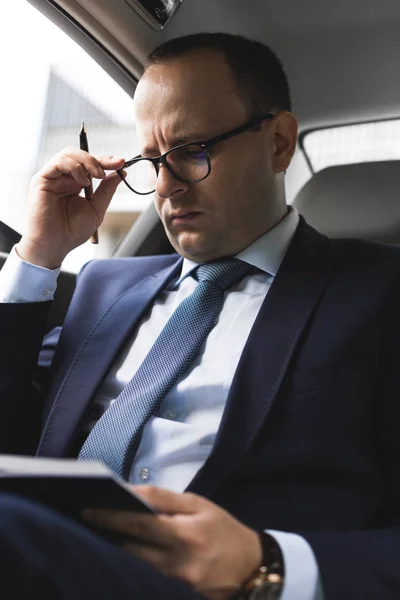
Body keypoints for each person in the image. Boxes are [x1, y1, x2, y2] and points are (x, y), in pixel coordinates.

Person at [0, 32, 400, 600]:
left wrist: (267, 564)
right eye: (150, 160)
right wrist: (38, 256)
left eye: (192, 151)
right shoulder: (103, 286)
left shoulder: (380, 294)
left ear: (280, 143)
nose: (164, 187)